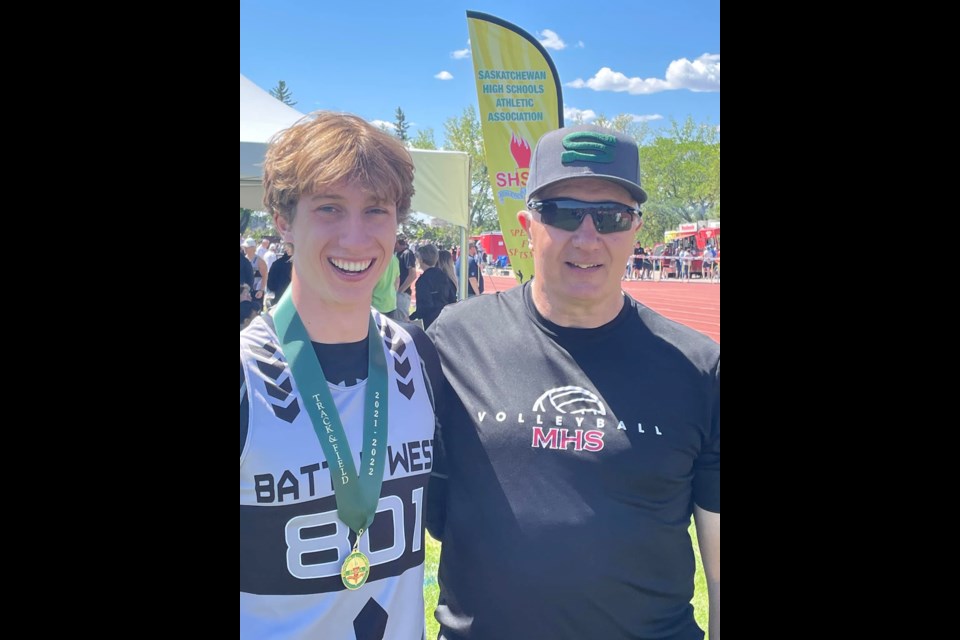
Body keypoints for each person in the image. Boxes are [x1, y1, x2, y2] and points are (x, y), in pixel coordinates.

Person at [426, 124, 720, 640]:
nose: (588, 237)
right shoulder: (454, 339)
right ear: (527, 225)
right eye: (563, 213)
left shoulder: (699, 367)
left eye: (610, 217)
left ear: (635, 230)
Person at [240, 111, 442, 640]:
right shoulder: (248, 373)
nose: (355, 238)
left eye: (376, 210)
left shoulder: (415, 354)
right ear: (283, 220)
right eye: (329, 208)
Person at [409, 243, 457, 329]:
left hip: (431, 322)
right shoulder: (445, 276)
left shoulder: (423, 280)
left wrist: (411, 317)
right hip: (445, 319)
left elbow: (425, 305)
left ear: (421, 260)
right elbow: (452, 300)